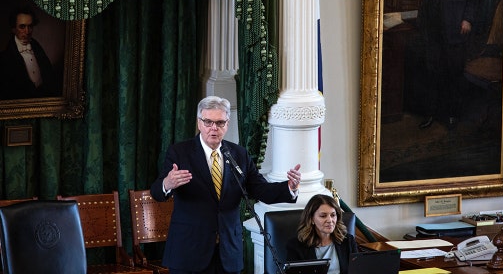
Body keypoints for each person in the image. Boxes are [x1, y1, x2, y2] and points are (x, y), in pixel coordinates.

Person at [150, 95, 302, 274]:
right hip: (189, 251)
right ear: (199, 123)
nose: (214, 128)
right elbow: (157, 192)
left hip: (228, 252)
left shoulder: (238, 154)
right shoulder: (180, 152)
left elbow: (260, 189)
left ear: (227, 124)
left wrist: (289, 187)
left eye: (220, 123)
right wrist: (168, 183)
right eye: (208, 122)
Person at [416, 0, 484, 129]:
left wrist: (468, 18)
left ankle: (452, 114)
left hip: (454, 23)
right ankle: (431, 113)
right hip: (432, 23)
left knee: (453, 70)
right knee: (431, 69)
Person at [0, 7, 59, 101]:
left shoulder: (39, 51)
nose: (27, 31)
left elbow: (51, 81)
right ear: (13, 29)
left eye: (30, 26)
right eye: (22, 27)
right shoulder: (1, 58)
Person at [286, 194, 358, 274]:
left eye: (333, 215)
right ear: (311, 219)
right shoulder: (296, 246)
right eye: (323, 216)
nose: (330, 220)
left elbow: (357, 270)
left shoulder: (348, 241)